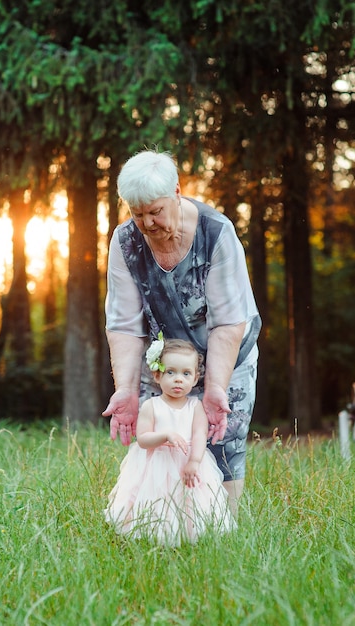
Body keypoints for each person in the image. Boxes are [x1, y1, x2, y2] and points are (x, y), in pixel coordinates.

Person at [102, 149, 261, 516]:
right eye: (137, 213)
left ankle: (224, 531)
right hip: (166, 358)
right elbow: (124, 323)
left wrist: (214, 387)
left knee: (223, 440)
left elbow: (227, 322)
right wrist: (125, 389)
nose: (147, 223)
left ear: (177, 191)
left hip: (226, 354)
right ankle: (157, 526)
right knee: (158, 440)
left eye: (155, 211)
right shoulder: (125, 241)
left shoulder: (216, 232)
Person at [105, 337, 235, 545]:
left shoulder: (195, 407)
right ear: (157, 375)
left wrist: (194, 461)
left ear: (195, 379)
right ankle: (154, 537)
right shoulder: (151, 406)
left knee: (189, 502)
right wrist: (165, 435)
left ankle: (187, 537)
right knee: (159, 501)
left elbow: (200, 435)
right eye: (170, 372)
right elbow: (143, 439)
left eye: (186, 374)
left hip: (187, 463)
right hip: (156, 465)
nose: (178, 379)